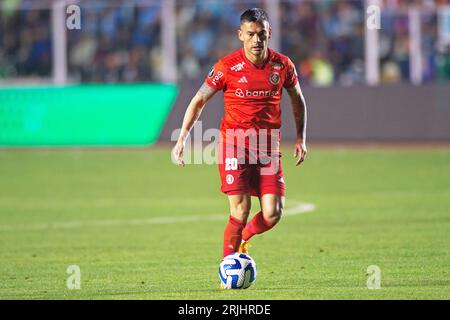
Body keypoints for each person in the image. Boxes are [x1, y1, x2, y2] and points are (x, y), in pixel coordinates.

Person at [172, 8, 307, 269]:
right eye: (251, 34)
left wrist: (301, 137)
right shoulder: (226, 67)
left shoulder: (282, 65)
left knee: (272, 213)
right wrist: (182, 139)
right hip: (234, 143)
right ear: (240, 35)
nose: (256, 40)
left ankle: (244, 237)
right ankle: (228, 266)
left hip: (268, 147)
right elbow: (199, 99)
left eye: (261, 34)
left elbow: (297, 99)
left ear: (269, 33)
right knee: (240, 209)